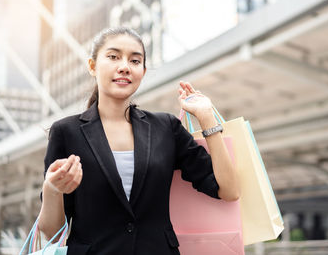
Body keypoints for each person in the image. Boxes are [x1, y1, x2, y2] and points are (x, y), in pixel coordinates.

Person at [37, 27, 240, 255]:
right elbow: (51, 230)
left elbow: (229, 190)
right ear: (92, 66)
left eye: (135, 60)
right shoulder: (67, 132)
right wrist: (52, 188)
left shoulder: (166, 128)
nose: (124, 66)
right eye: (113, 57)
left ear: (142, 72)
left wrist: (207, 118)